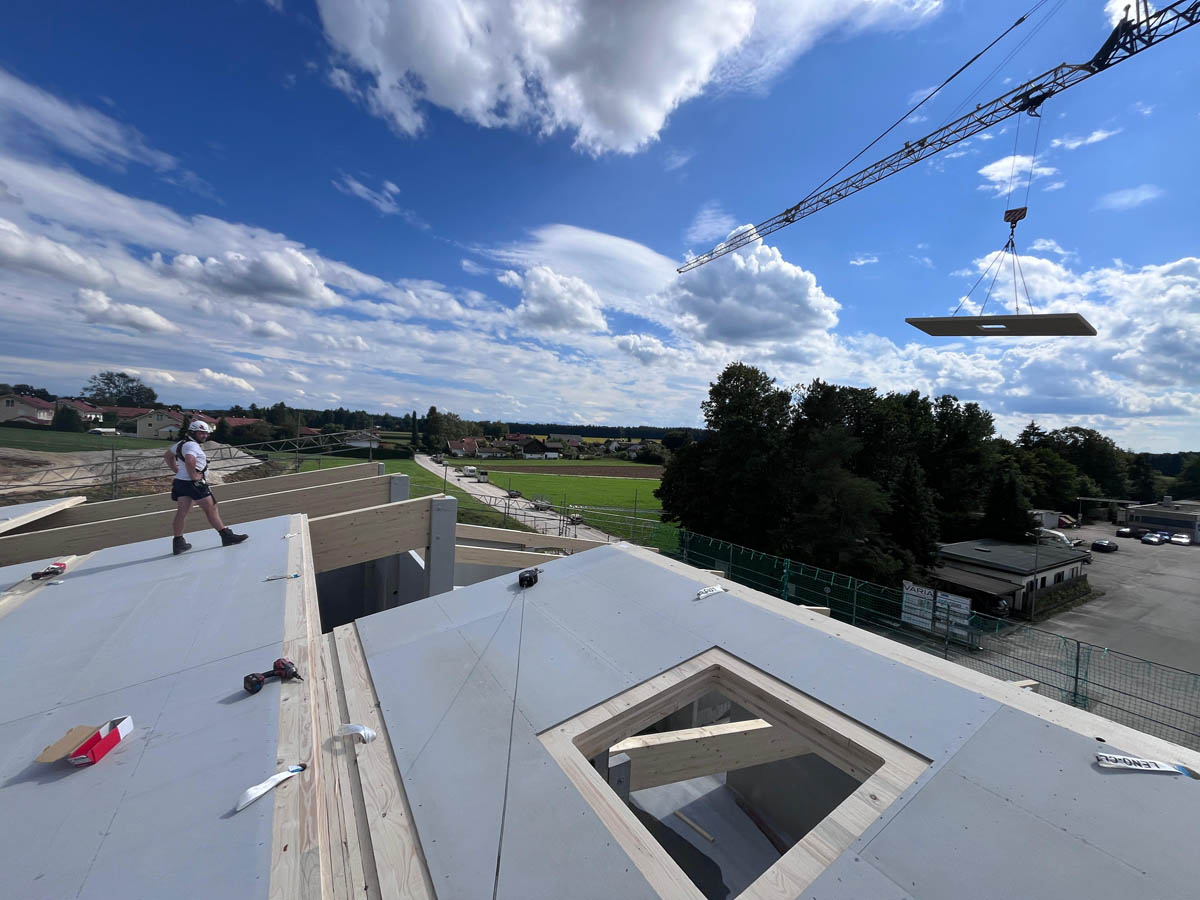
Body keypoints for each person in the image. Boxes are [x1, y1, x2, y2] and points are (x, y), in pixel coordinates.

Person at [163, 419, 248, 555]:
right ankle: (226, 536)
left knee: (182, 512)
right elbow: (190, 460)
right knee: (211, 509)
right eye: (201, 433)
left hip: (180, 483)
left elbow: (168, 456)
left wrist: (177, 470)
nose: (205, 436)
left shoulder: (181, 444)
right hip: (194, 484)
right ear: (193, 432)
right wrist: (193, 476)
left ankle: (178, 542)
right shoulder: (192, 446)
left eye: (206, 433)